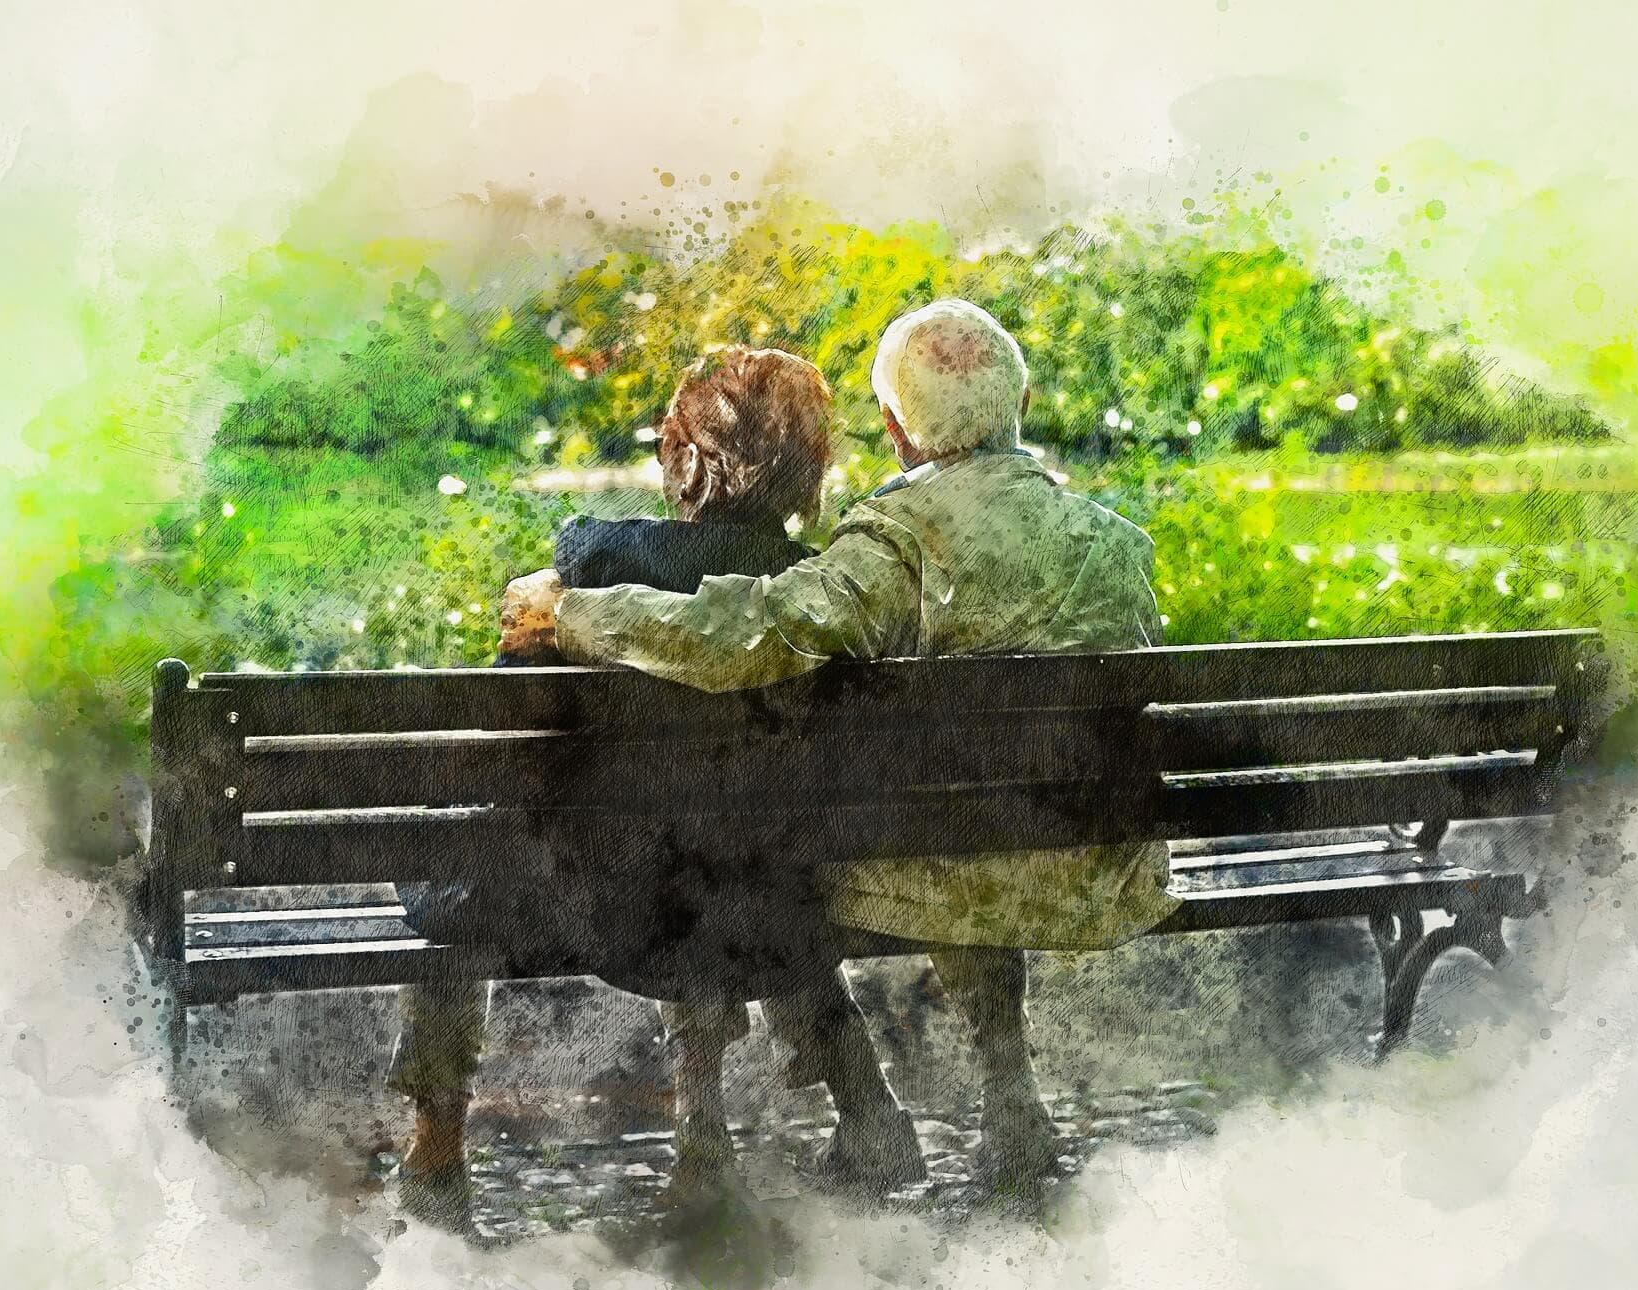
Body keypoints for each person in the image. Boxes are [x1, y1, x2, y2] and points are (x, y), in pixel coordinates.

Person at [501, 298, 1181, 1189]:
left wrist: (580, 614)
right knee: (983, 813)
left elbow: (749, 636)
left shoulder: (900, 538)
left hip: (954, 869)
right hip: (1100, 871)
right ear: (1022, 401)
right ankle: (1010, 1099)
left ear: (897, 430)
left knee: (766, 842)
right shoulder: (1115, 545)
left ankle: (803, 1128)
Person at [388, 346, 920, 1225]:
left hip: (609, 914)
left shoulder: (592, 570)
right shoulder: (824, 593)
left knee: (457, 871)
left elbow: (516, 746)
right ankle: (856, 1113)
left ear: (681, 461)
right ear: (808, 472)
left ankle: (436, 1150)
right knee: (754, 861)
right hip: (763, 920)